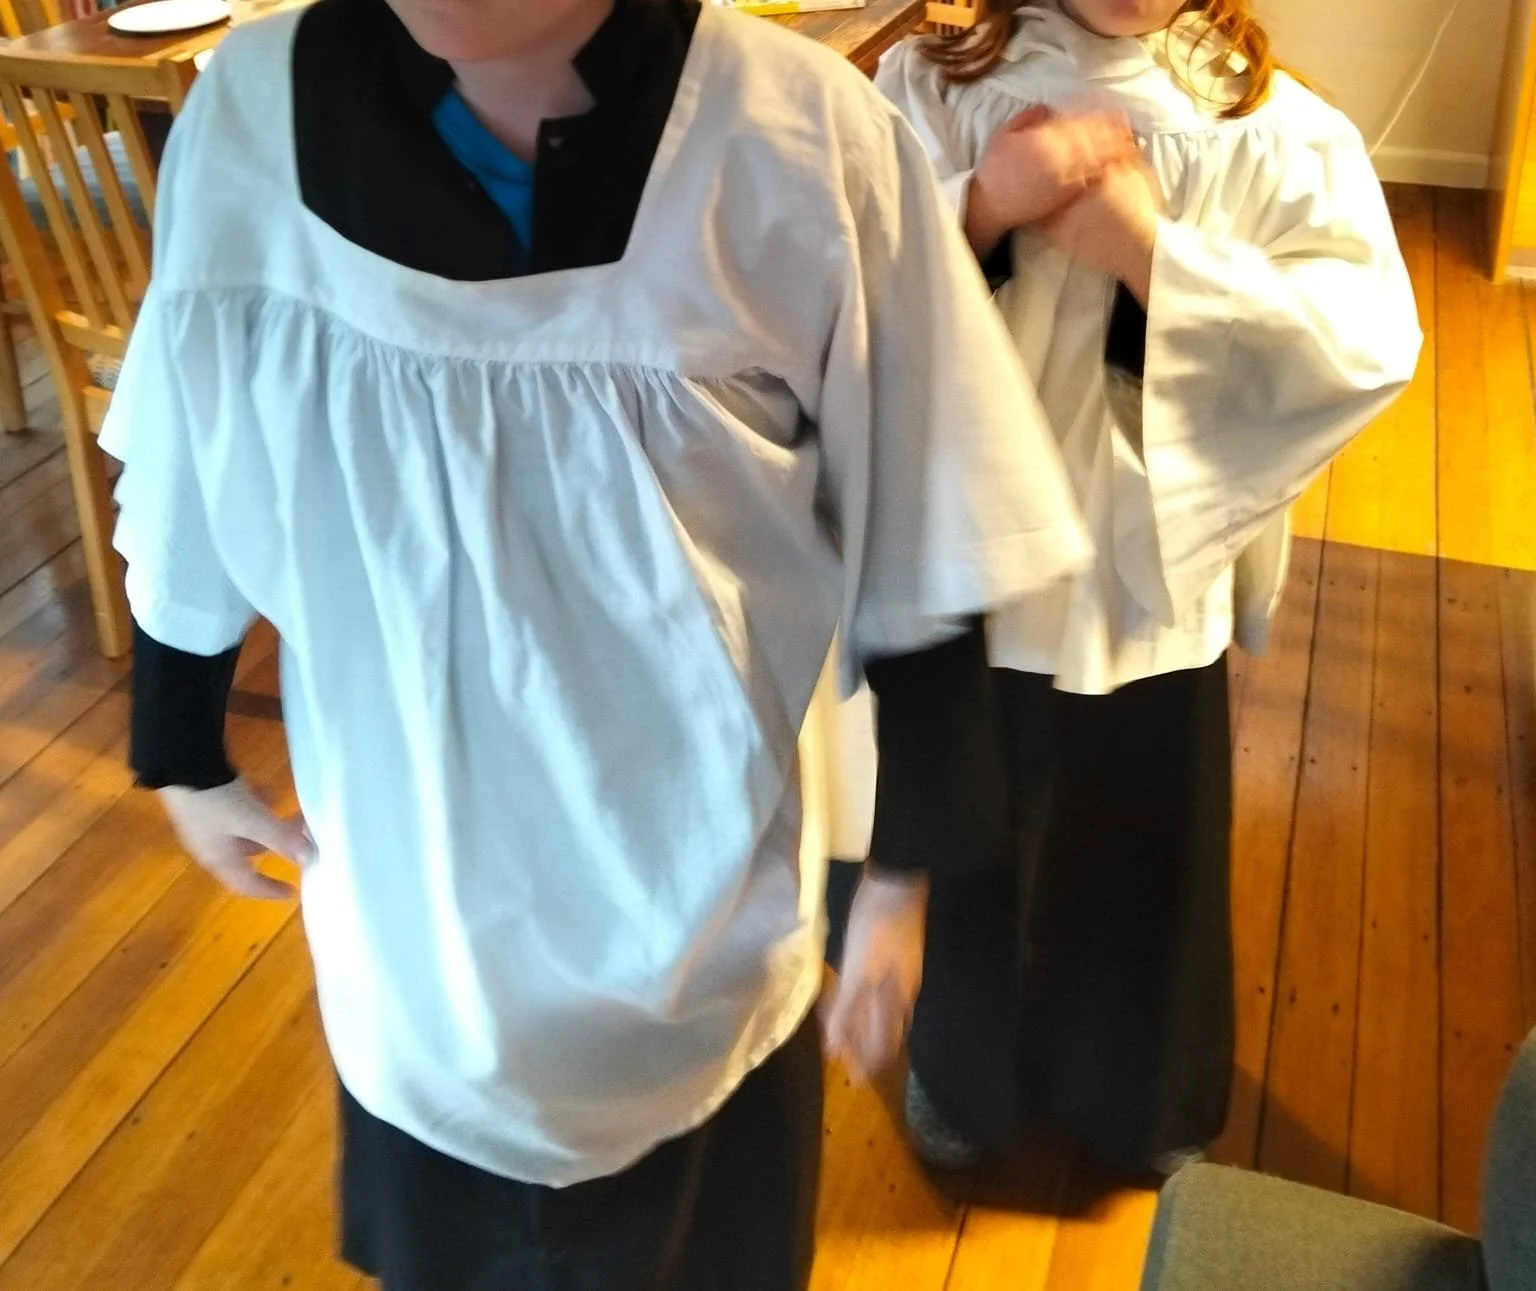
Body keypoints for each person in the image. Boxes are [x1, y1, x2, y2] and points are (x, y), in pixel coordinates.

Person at [103, 0, 1095, 1286]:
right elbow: (188, 443)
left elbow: (926, 516)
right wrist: (180, 741)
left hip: (700, 911)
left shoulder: (801, 138)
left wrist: (904, 869)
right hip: (412, 920)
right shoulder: (249, 109)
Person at [872, 0, 1422, 1175]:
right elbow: (836, 281)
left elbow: (1362, 342)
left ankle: (1144, 1093)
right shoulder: (931, 91)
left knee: (1145, 843)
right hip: (980, 563)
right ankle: (965, 1071)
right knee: (980, 831)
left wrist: (1153, 256)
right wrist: (980, 208)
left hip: (1148, 577)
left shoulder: (1272, 129)